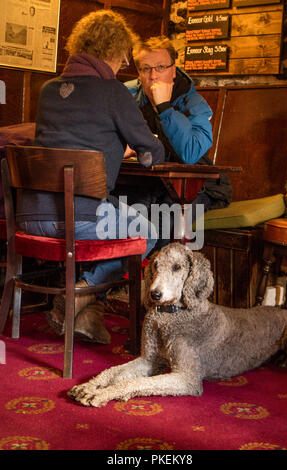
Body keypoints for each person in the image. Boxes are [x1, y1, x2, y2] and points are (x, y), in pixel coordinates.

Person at [16, 11, 165, 340]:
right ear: (113, 52)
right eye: (124, 56)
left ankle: (88, 318)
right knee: (148, 231)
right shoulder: (114, 93)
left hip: (29, 217)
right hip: (81, 219)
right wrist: (140, 149)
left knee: (110, 219)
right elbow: (153, 154)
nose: (123, 63)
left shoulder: (47, 90)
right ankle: (81, 293)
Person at [115, 36, 232, 248]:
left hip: (193, 186)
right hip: (142, 182)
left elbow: (191, 153)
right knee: (123, 221)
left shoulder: (193, 102)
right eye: (146, 68)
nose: (153, 75)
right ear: (139, 72)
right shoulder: (126, 94)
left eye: (160, 67)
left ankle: (147, 278)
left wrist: (165, 107)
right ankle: (127, 277)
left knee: (163, 225)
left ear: (173, 70)